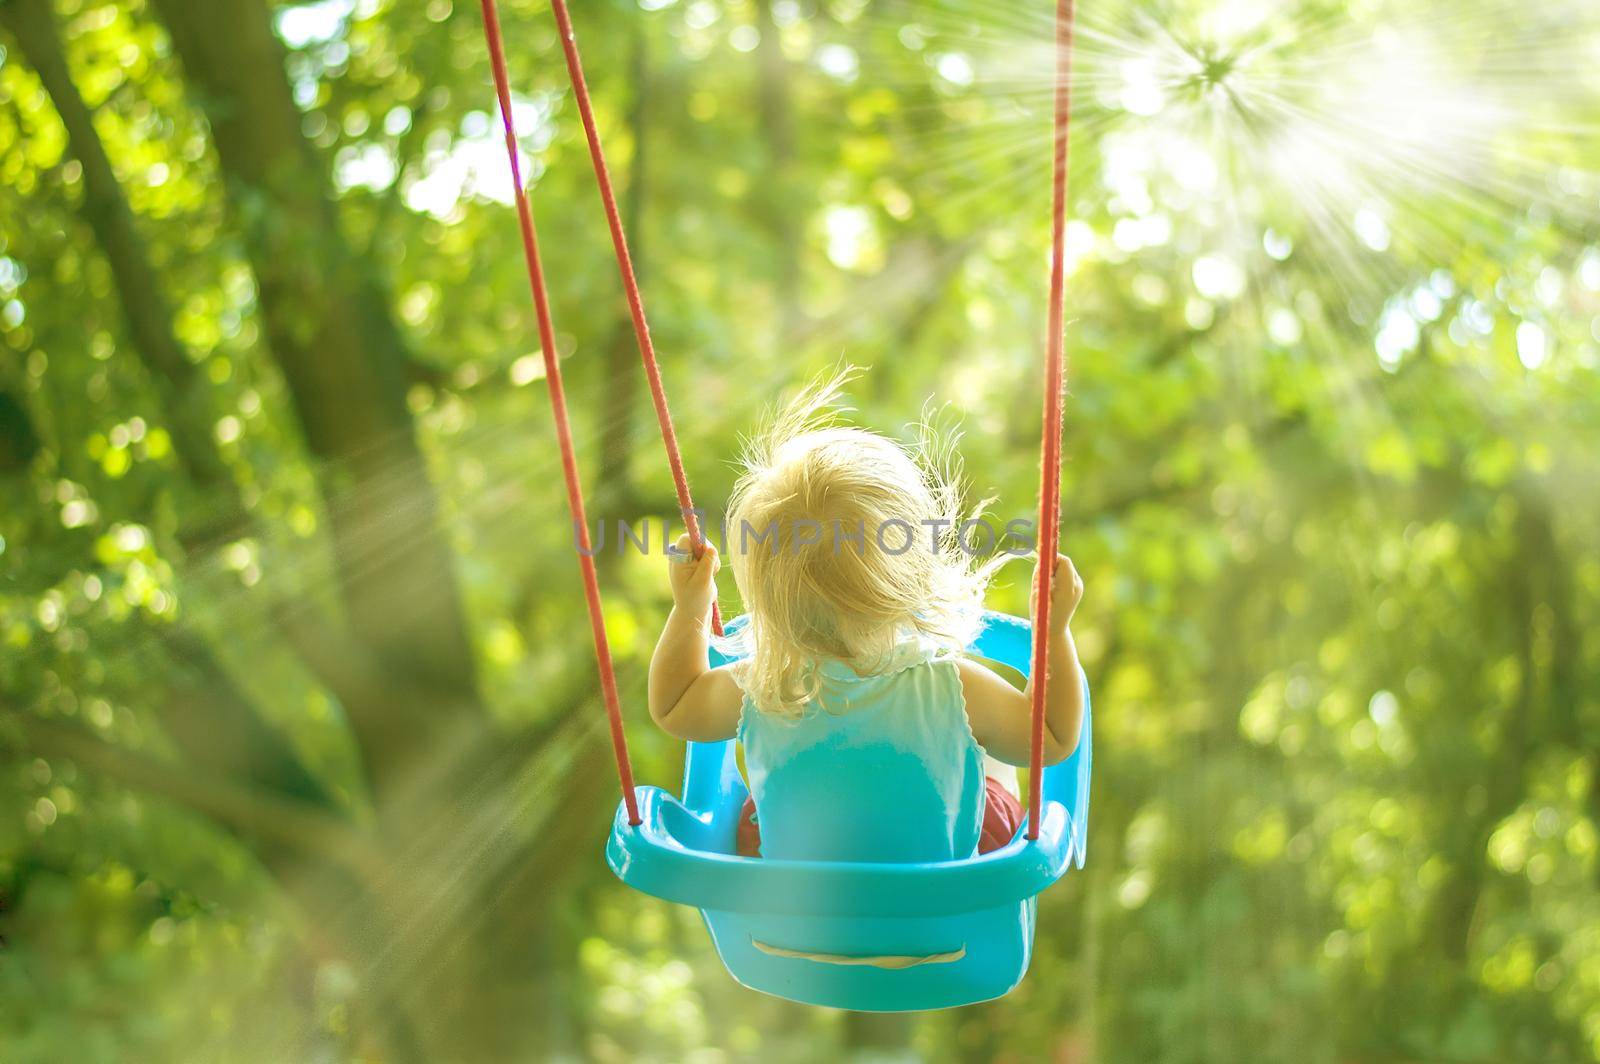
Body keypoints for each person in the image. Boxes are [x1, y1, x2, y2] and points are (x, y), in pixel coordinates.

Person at [647, 376, 1085, 862]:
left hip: (790, 927)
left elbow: (674, 705)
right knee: (995, 765)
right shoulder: (953, 688)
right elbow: (1052, 737)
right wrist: (1054, 631)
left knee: (762, 812)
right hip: (941, 921)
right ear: (911, 574)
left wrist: (689, 607)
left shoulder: (760, 688)